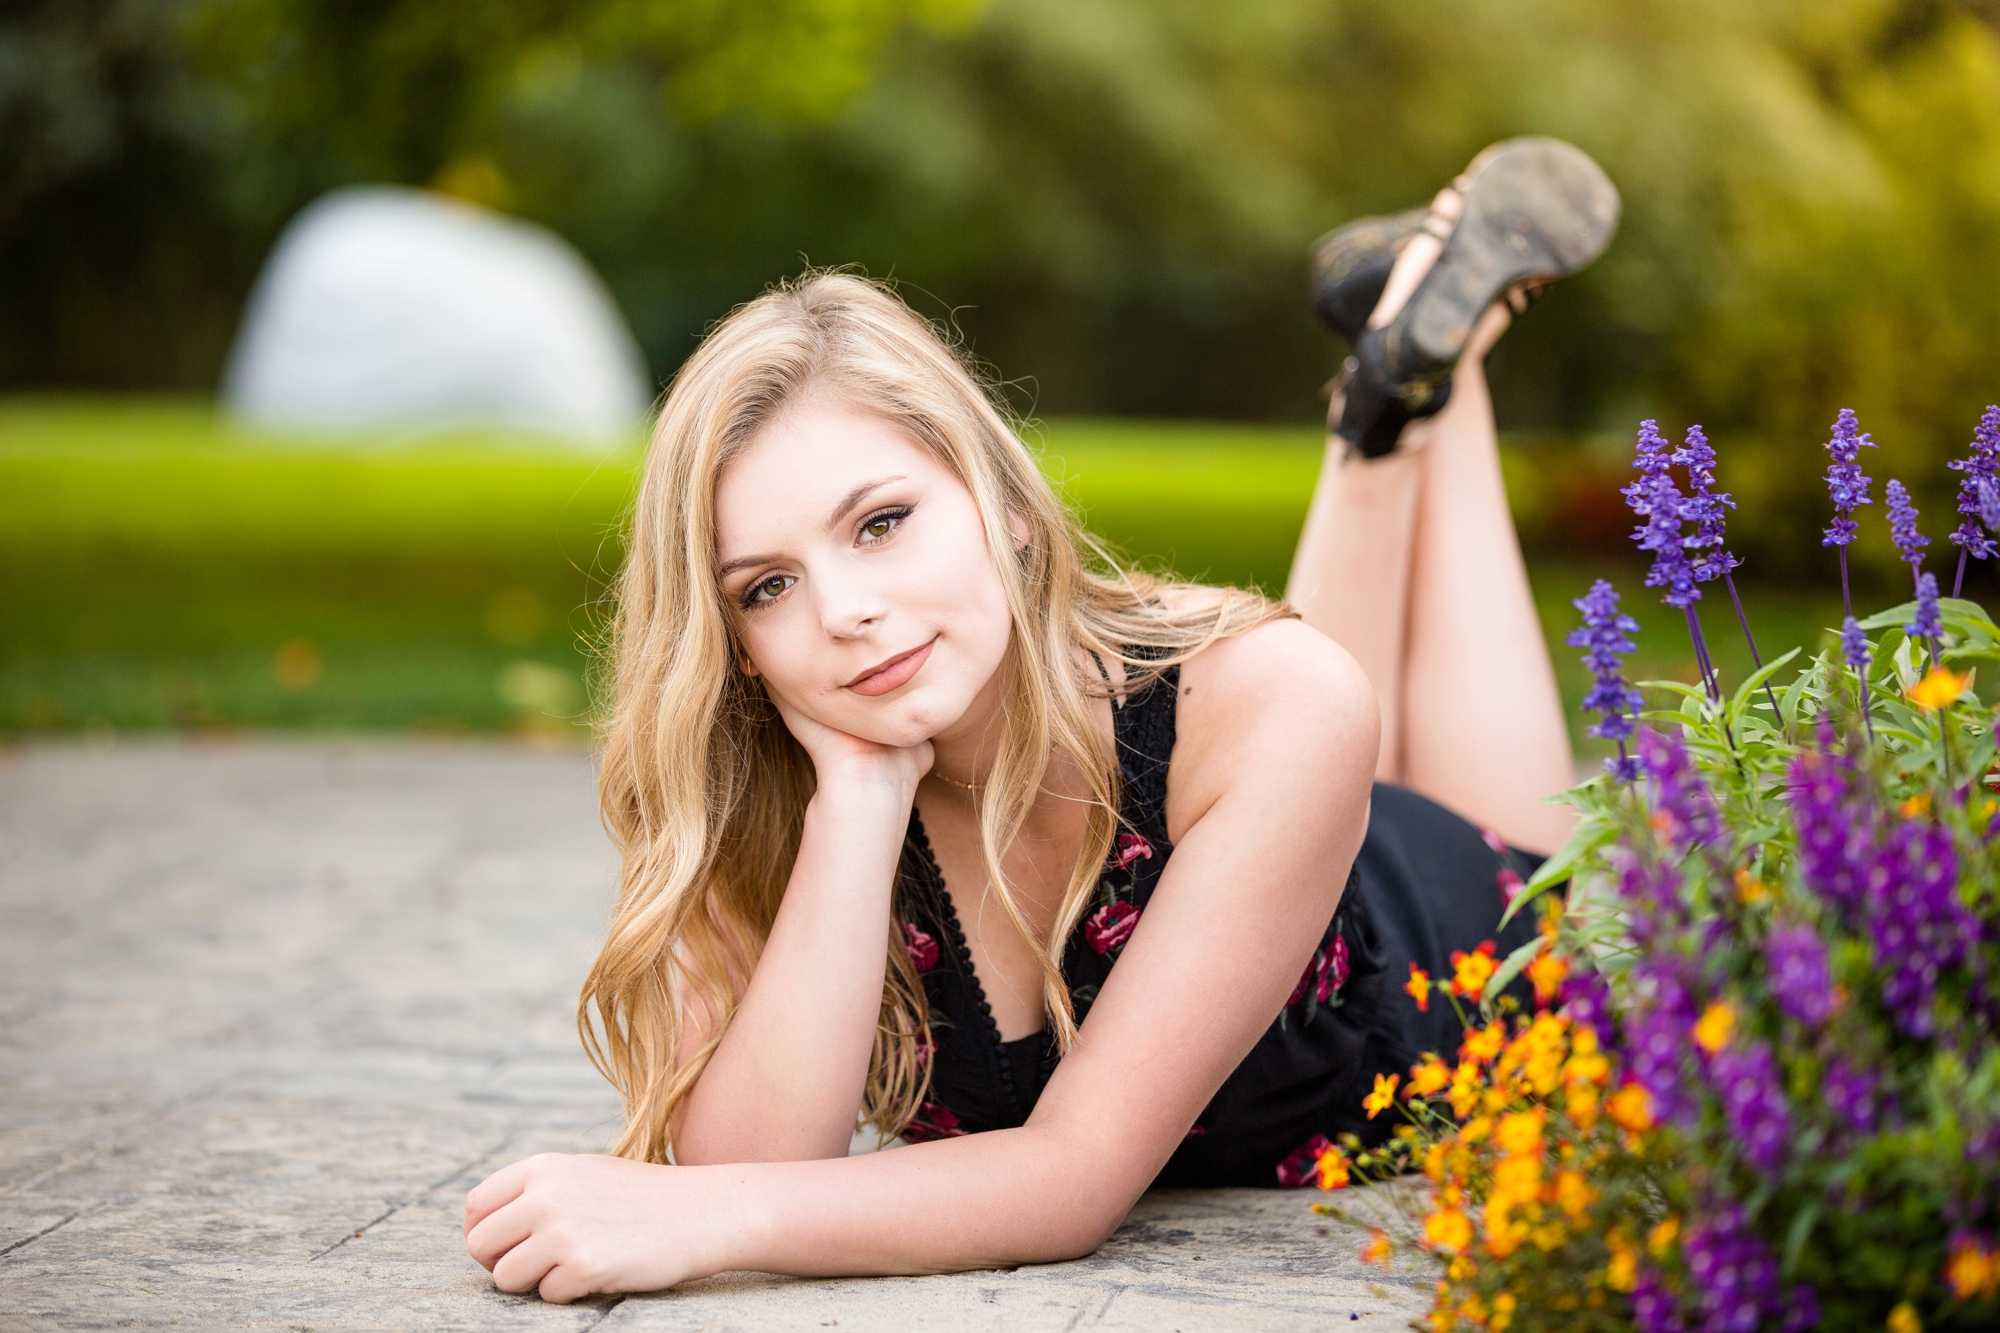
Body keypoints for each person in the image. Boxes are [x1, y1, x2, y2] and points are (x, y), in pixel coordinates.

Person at [463, 137, 1620, 1303]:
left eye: (879, 522)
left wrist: (697, 1219)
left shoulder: (1273, 705)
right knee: (1308, 696)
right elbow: (756, 1158)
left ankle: (1429, 374)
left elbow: (1068, 1179)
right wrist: (858, 803)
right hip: (1279, 813)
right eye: (766, 587)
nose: (846, 613)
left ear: (1007, 505)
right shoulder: (761, 776)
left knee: (1371, 736)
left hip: (1457, 946)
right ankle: (1398, 371)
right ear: (736, 647)